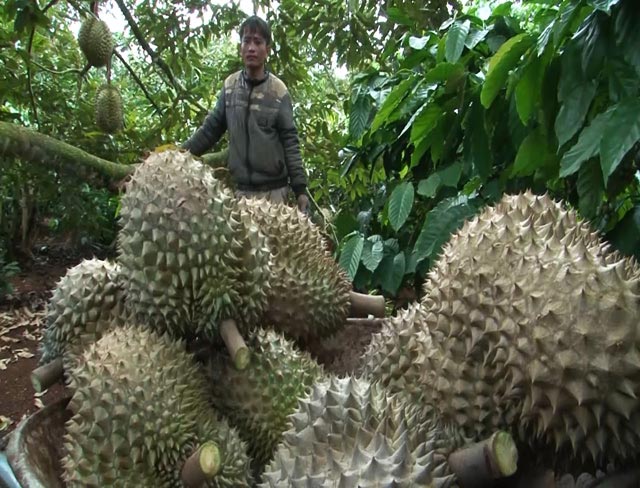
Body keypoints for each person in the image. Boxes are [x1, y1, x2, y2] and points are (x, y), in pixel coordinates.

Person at [182, 15, 309, 212]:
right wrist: (177, 155)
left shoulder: (278, 92)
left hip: (274, 194)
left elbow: (290, 142)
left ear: (267, 50)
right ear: (240, 47)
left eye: (258, 42)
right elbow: (210, 131)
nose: (251, 47)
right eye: (246, 41)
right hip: (240, 193)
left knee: (271, 244)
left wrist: (300, 189)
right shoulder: (230, 87)